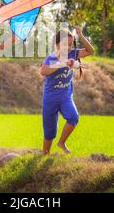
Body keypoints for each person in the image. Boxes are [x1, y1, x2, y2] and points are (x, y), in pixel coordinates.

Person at [40, 26, 94, 155]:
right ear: (57, 44)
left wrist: (80, 35)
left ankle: (62, 142)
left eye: (70, 44)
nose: (68, 47)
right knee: (49, 132)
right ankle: (45, 154)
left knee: (73, 117)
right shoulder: (51, 57)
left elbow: (90, 51)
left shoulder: (74, 53)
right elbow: (43, 71)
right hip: (50, 99)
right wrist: (63, 63)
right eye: (65, 44)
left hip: (65, 97)